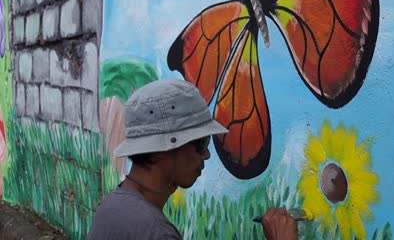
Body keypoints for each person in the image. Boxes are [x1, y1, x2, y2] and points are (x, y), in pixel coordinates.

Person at [88, 79, 297, 239]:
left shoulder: (111, 207)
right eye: (200, 143)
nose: (206, 154)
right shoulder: (156, 232)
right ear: (162, 149)